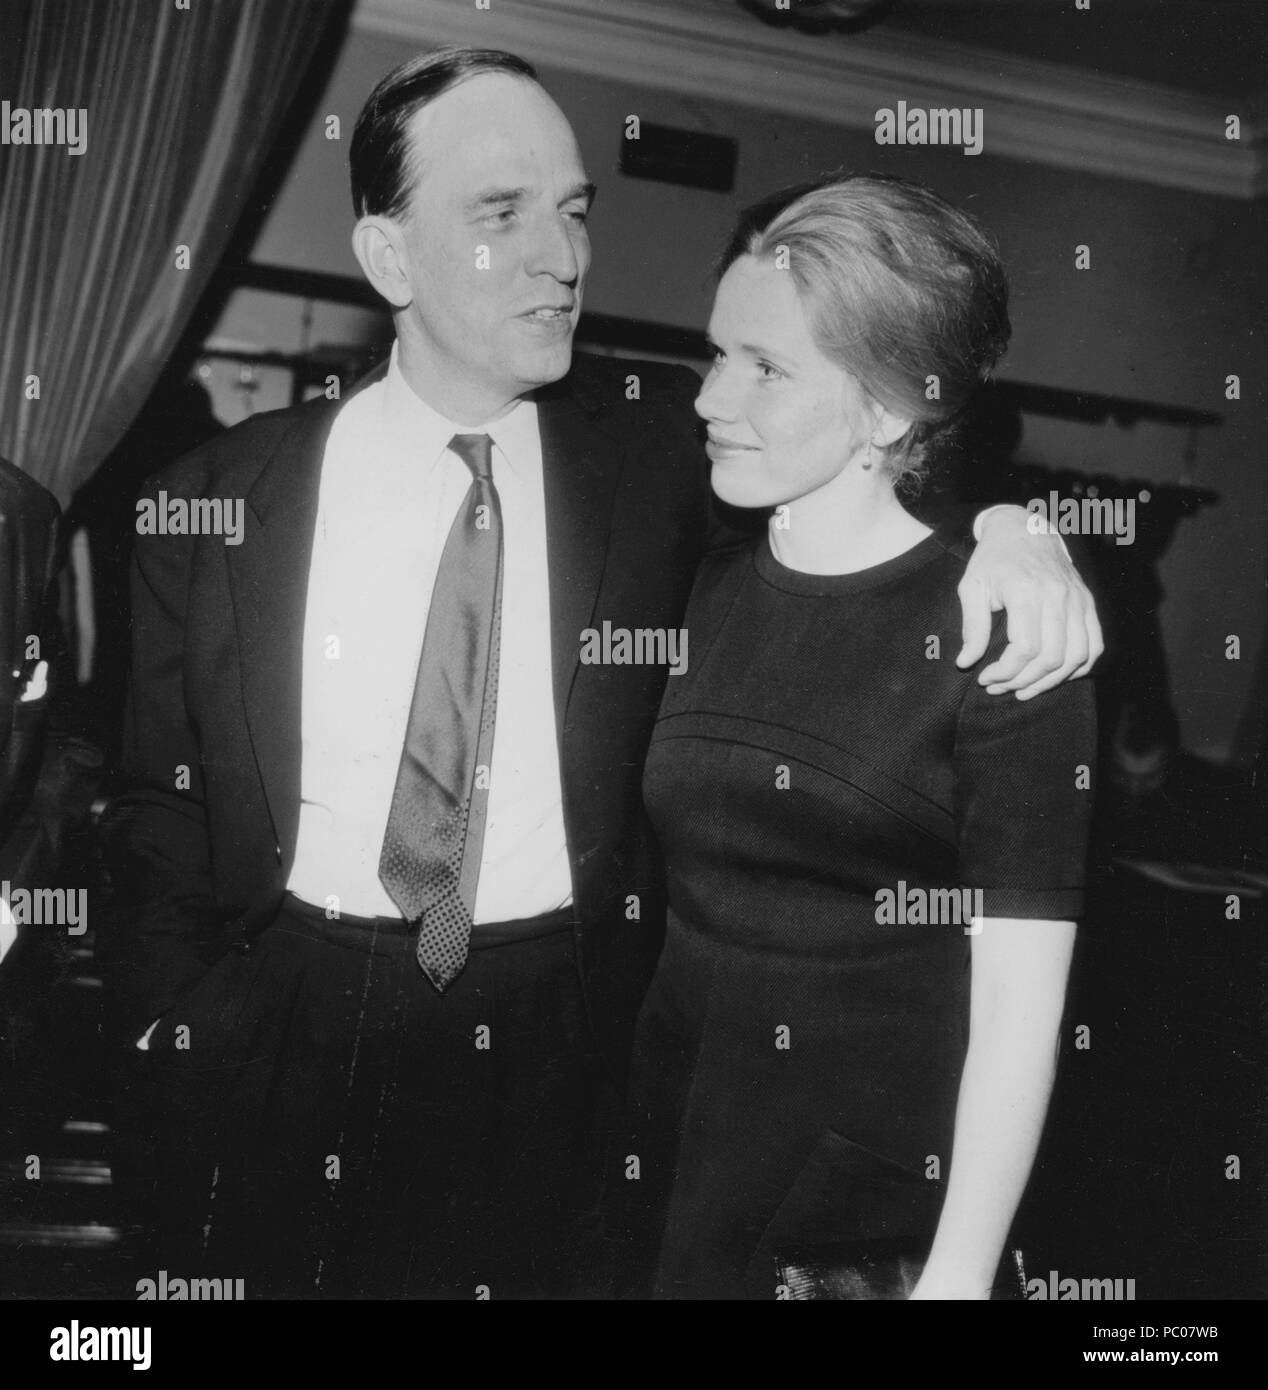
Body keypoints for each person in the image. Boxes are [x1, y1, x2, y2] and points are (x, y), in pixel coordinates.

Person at [98, 50, 1100, 1299]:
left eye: (573, 211)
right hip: (278, 1018)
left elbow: (859, 442)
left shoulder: (660, 453)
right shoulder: (209, 501)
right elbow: (151, 800)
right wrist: (169, 1018)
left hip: (561, 1050)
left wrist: (1018, 531)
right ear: (389, 258)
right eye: (500, 213)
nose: (561, 257)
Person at [618, 175, 1097, 1300]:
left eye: (767, 368)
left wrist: (958, 1277)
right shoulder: (702, 583)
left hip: (852, 1217)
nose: (709, 397)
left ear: (888, 410)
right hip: (665, 1164)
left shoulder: (1000, 632)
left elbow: (1018, 1018)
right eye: (714, 352)